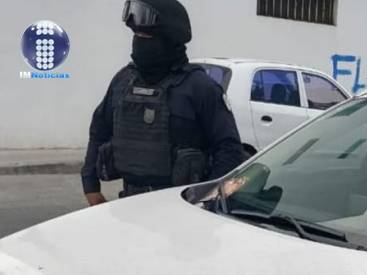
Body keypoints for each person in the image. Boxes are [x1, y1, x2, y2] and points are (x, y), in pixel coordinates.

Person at [81, 0, 245, 205]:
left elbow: (229, 150)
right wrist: (90, 186)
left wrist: (207, 201)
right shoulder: (123, 81)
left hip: (182, 207)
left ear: (170, 38)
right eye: (136, 36)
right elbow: (99, 131)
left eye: (146, 37)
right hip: (130, 204)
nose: (139, 43)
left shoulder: (200, 88)